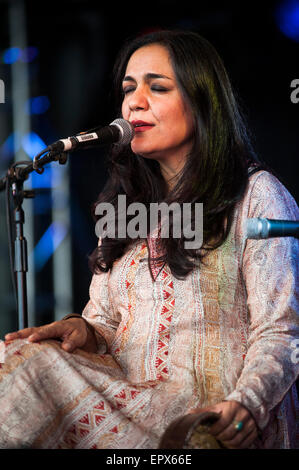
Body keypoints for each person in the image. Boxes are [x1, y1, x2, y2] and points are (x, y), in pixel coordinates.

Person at [0, 29, 298, 449]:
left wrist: (247, 404)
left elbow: (281, 330)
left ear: (202, 101)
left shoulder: (256, 194)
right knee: (15, 358)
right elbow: (104, 321)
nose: (134, 102)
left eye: (157, 87)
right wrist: (79, 329)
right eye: (128, 89)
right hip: (129, 406)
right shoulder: (123, 208)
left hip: (208, 417)